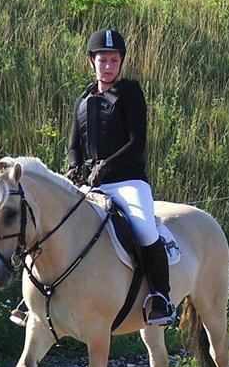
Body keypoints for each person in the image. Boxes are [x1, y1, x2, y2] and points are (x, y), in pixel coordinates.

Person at [65, 28, 176, 327]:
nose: (109, 66)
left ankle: (161, 298)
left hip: (127, 182)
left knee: (145, 230)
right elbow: (74, 145)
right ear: (92, 62)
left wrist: (106, 167)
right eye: (103, 60)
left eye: (114, 60)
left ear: (121, 62)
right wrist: (73, 166)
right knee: (59, 224)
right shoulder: (83, 99)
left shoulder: (130, 94)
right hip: (92, 183)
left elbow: (136, 143)